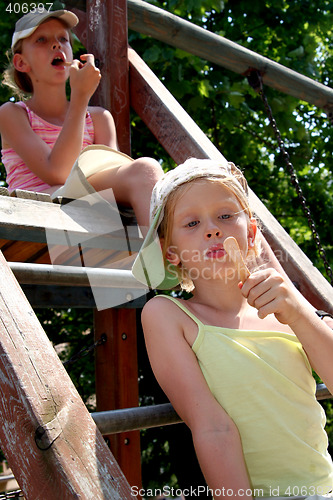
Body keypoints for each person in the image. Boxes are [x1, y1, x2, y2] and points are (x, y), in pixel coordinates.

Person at [132, 158, 333, 498]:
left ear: (251, 233)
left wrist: (299, 312)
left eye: (225, 216)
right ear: (170, 253)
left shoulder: (284, 309)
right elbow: (212, 427)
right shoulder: (168, 314)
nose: (212, 230)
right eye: (192, 222)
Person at [0, 8, 162, 230]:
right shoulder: (11, 113)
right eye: (41, 40)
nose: (56, 45)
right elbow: (58, 173)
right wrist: (80, 97)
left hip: (90, 207)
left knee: (146, 170)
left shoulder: (98, 118)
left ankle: (157, 260)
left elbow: (111, 178)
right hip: (34, 213)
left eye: (63, 39)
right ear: (21, 63)